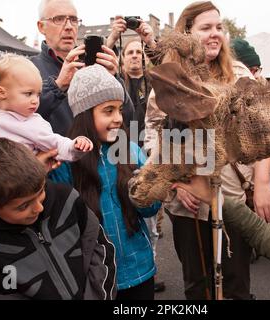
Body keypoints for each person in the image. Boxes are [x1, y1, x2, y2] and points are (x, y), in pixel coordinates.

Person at [144, 1, 270, 300]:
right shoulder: (168, 79)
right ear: (186, 34)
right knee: (197, 287)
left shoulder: (240, 76)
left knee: (236, 287)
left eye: (219, 27)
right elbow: (153, 138)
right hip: (187, 206)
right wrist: (176, 185)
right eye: (206, 28)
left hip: (232, 197)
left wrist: (262, 184)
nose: (215, 34)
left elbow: (266, 133)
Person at [0, 138, 116, 300]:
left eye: (41, 192)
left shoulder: (67, 199)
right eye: (23, 206)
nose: (39, 208)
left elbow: (100, 248)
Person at [67, 65, 161, 300]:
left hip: (140, 270)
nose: (118, 118)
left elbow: (150, 209)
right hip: (95, 277)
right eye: (108, 111)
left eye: (119, 110)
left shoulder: (130, 151)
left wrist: (153, 188)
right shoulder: (67, 160)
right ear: (85, 114)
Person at [31, 0, 131, 184]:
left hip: (102, 173)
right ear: (41, 26)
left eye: (74, 20)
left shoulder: (93, 66)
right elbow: (18, 121)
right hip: (57, 177)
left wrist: (113, 78)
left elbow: (128, 118)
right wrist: (58, 85)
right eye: (59, 19)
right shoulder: (29, 69)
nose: (68, 27)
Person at [107, 17, 166, 292]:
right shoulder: (115, 82)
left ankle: (149, 266)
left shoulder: (153, 82)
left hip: (147, 150)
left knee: (151, 219)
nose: (134, 57)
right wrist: (112, 36)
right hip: (119, 151)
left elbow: (169, 69)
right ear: (122, 57)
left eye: (138, 53)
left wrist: (148, 40)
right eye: (129, 52)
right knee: (120, 213)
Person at [0, 54, 93, 161]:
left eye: (38, 94)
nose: (35, 100)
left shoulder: (35, 123)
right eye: (28, 94)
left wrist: (75, 145)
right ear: (1, 92)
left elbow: (56, 142)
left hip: (11, 182)